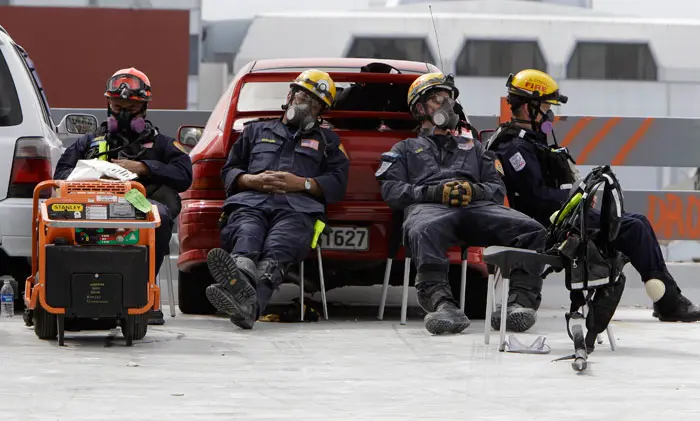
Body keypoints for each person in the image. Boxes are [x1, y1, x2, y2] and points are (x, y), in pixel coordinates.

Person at [486, 68, 700, 328]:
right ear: (529, 107)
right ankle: (668, 301)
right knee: (634, 227)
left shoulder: (531, 141)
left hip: (566, 216)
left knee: (636, 223)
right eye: (545, 106)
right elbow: (535, 198)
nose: (550, 114)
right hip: (551, 225)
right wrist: (577, 197)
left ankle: (667, 298)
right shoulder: (513, 147)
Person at [376, 72, 548, 335]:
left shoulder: (476, 148)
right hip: (430, 210)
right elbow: (392, 191)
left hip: (477, 208)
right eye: (438, 99)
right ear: (420, 108)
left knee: (532, 229)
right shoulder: (403, 150)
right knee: (421, 229)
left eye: (450, 98)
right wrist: (436, 193)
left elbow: (496, 187)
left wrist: (473, 190)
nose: (448, 105)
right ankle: (442, 306)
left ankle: (519, 305)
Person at [205, 69, 350, 330]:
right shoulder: (255, 130)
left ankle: (239, 289)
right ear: (290, 95)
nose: (305, 104)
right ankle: (243, 286)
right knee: (247, 236)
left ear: (321, 111)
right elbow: (229, 169)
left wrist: (303, 183)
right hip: (250, 203)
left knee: (276, 252)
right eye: (302, 96)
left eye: (314, 102)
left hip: (298, 211)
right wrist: (251, 180)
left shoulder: (328, 141)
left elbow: (338, 184)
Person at [53, 67, 193, 325]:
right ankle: (72, 291)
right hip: (91, 207)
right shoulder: (90, 141)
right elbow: (61, 173)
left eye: (132, 105)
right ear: (108, 104)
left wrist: (145, 168)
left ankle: (145, 293)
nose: (124, 112)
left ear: (145, 108)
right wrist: (93, 173)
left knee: (159, 217)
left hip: (139, 208)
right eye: (118, 105)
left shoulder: (161, 143)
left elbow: (184, 175)